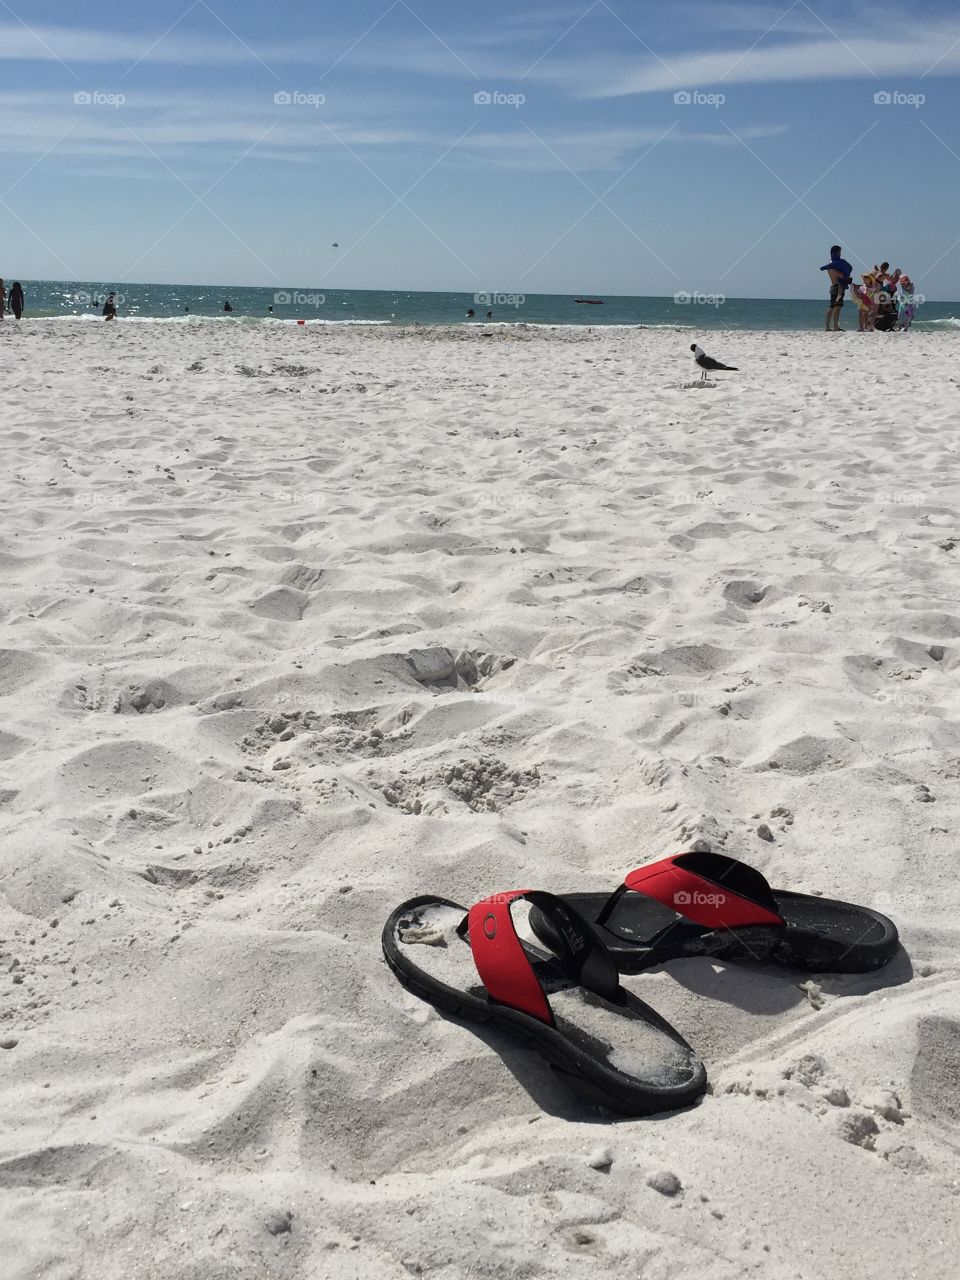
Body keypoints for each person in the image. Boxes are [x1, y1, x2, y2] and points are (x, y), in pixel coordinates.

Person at [820, 245, 853, 331]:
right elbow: (841, 275)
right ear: (836, 253)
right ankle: (827, 327)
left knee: (838, 307)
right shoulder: (831, 267)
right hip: (835, 287)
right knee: (832, 307)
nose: (840, 254)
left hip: (839, 287)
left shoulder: (835, 265)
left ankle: (835, 326)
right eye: (840, 252)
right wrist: (846, 277)